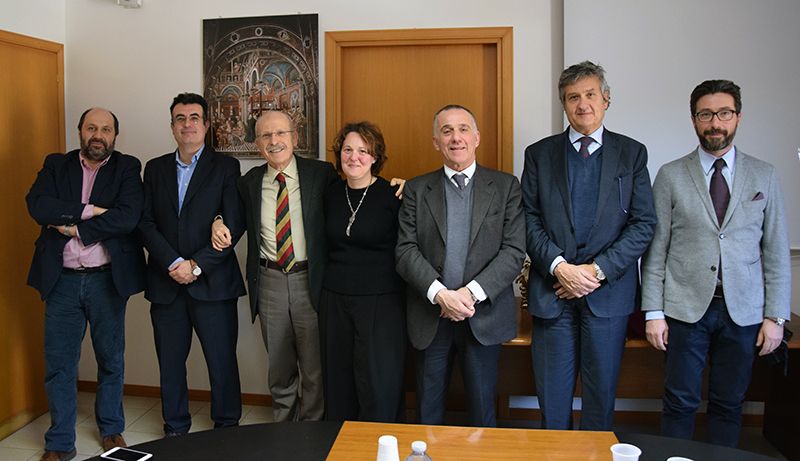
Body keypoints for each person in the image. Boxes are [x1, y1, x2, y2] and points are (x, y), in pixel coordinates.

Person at [641, 79, 791, 447]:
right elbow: (655, 249)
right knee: (680, 401)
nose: (715, 123)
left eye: (724, 113)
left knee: (729, 402)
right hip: (685, 309)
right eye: (706, 114)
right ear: (694, 120)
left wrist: (776, 317)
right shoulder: (671, 175)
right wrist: (653, 312)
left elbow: (775, 251)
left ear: (738, 117)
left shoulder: (764, 175)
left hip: (743, 312)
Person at [521, 61, 656, 430]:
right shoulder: (539, 154)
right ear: (563, 105)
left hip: (607, 295)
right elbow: (527, 218)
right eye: (572, 97)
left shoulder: (632, 154)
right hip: (553, 294)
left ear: (607, 98)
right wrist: (561, 268)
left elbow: (643, 224)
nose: (583, 104)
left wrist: (595, 272)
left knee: (600, 402)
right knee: (553, 400)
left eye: (590, 94)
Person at [395, 104, 526, 427]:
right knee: (428, 410)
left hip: (483, 317)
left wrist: (468, 295)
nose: (456, 138)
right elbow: (405, 250)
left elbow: (513, 251)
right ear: (436, 142)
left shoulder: (506, 187)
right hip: (431, 317)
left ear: (477, 137)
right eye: (447, 131)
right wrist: (441, 295)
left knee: (483, 411)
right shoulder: (415, 189)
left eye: (463, 129)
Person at [26, 108, 145, 461]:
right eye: (91, 127)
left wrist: (74, 226)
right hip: (61, 282)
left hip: (106, 280)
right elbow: (38, 206)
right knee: (60, 364)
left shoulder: (127, 167)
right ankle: (59, 442)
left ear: (114, 136)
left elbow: (128, 216)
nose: (98, 134)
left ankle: (110, 429)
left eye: (105, 129)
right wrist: (92, 211)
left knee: (111, 360)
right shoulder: (55, 165)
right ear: (79, 131)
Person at [138, 92, 245, 436]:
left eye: (195, 118)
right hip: (166, 283)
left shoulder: (226, 167)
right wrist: (173, 262)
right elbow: (145, 222)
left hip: (213, 284)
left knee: (222, 362)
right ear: (172, 126)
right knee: (170, 365)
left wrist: (195, 265)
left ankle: (227, 426)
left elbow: (233, 223)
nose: (188, 124)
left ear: (206, 125)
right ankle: (175, 427)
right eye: (181, 118)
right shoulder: (153, 169)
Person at [235, 110, 339, 421]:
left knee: (314, 367)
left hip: (311, 279)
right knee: (279, 365)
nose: (274, 141)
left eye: (281, 133)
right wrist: (216, 221)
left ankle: (312, 430)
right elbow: (228, 215)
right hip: (269, 280)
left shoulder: (321, 174)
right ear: (257, 145)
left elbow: (354, 198)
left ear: (295, 138)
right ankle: (284, 429)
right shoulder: (249, 183)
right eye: (266, 136)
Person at [320, 121, 407, 422]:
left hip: (381, 301)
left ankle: (379, 446)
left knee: (377, 381)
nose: (353, 157)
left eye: (362, 151)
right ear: (339, 154)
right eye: (347, 150)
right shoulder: (330, 194)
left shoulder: (394, 195)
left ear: (375, 157)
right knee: (339, 379)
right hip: (335, 298)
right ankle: (342, 446)